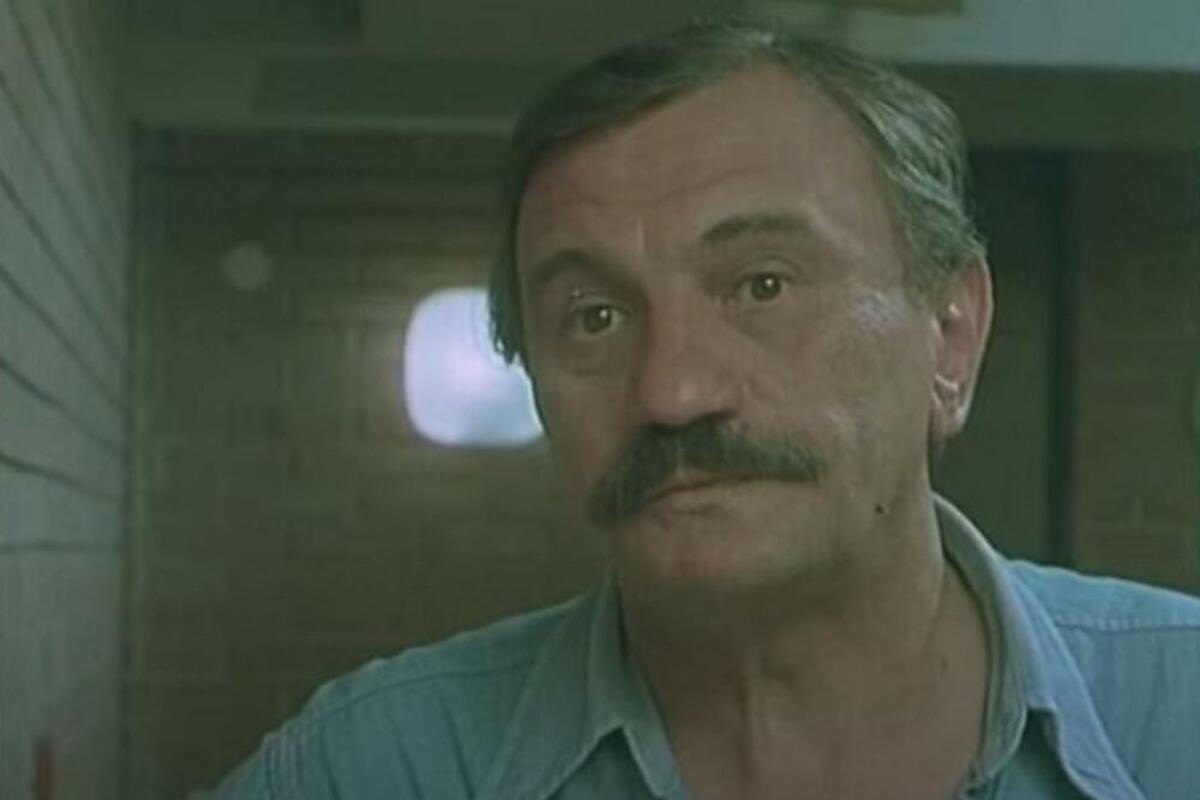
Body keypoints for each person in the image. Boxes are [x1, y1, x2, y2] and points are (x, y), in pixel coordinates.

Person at [213, 19, 1200, 800]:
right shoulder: (372, 766)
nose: (671, 392)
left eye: (762, 285)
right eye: (595, 317)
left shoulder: (1179, 715)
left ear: (950, 335)